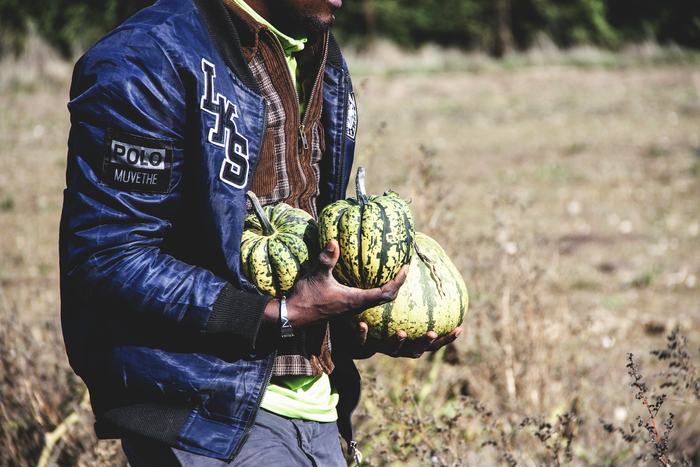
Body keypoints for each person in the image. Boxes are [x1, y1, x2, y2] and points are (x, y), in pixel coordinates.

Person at [59, 0, 461, 465]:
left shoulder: (319, 52)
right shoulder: (147, 58)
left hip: (319, 408)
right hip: (206, 417)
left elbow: (305, 232)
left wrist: (357, 321)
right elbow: (109, 256)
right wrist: (279, 314)